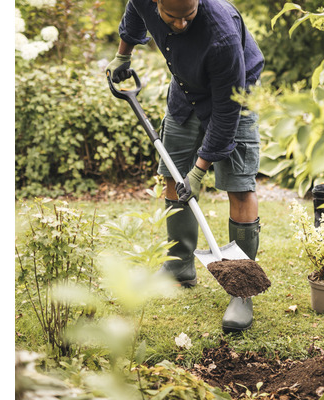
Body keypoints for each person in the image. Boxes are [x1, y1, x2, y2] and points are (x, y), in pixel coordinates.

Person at [106, 0, 264, 333]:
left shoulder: (221, 34)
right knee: (171, 177)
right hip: (185, 93)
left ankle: (242, 290)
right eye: (171, 17)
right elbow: (135, 13)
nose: (179, 25)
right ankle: (179, 267)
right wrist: (124, 54)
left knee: (239, 187)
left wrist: (200, 170)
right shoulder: (145, 1)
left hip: (233, 100)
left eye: (187, 17)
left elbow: (225, 114)